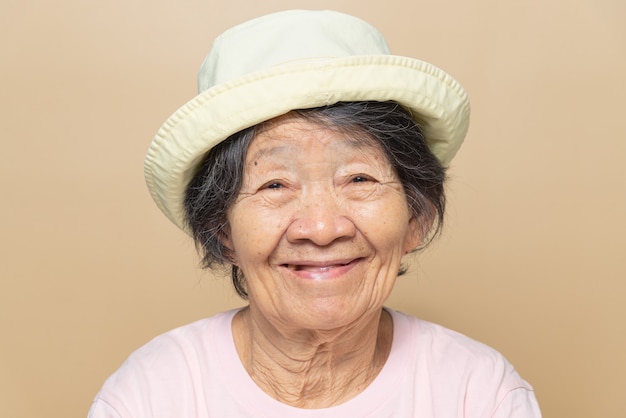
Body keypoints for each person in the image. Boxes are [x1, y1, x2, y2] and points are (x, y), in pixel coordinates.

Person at [89, 10, 541, 417]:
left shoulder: (480, 394)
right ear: (221, 229)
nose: (322, 228)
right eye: (275, 185)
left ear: (415, 217)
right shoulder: (149, 397)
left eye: (359, 179)